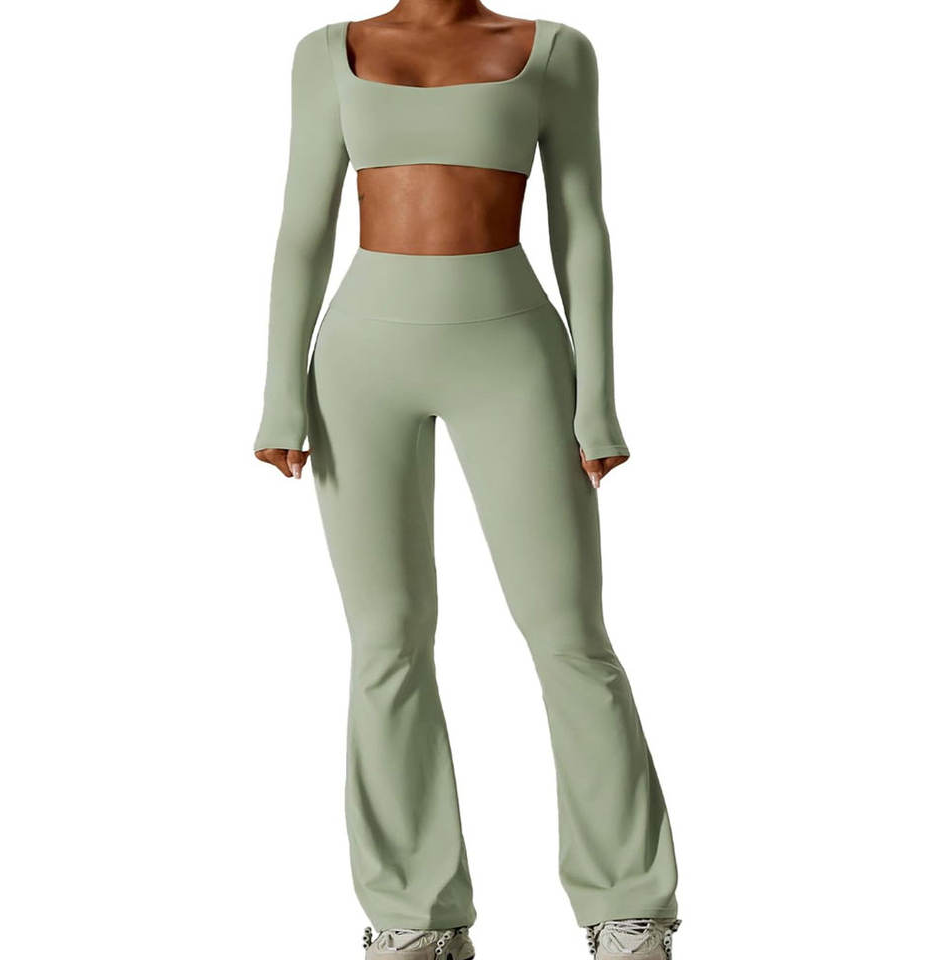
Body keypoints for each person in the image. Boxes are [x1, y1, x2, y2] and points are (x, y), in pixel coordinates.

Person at [253, 4, 681, 958]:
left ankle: (630, 905)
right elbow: (302, 227)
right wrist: (280, 391)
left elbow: (581, 224)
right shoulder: (326, 55)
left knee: (568, 633)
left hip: (513, 357)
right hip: (359, 362)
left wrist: (599, 399)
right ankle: (414, 918)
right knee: (387, 640)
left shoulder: (555, 53)